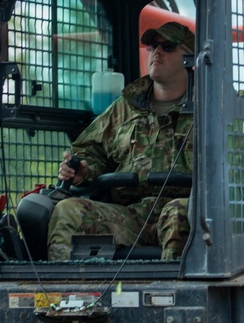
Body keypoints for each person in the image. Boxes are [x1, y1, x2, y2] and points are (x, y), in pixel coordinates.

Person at [47, 21, 195, 261]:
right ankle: (68, 294)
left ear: (192, 59)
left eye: (168, 47)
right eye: (153, 47)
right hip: (131, 214)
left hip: (187, 211)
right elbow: (89, 150)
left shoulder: (210, 108)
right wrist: (82, 170)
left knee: (179, 213)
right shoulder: (124, 108)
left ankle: (172, 294)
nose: (157, 52)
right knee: (69, 210)